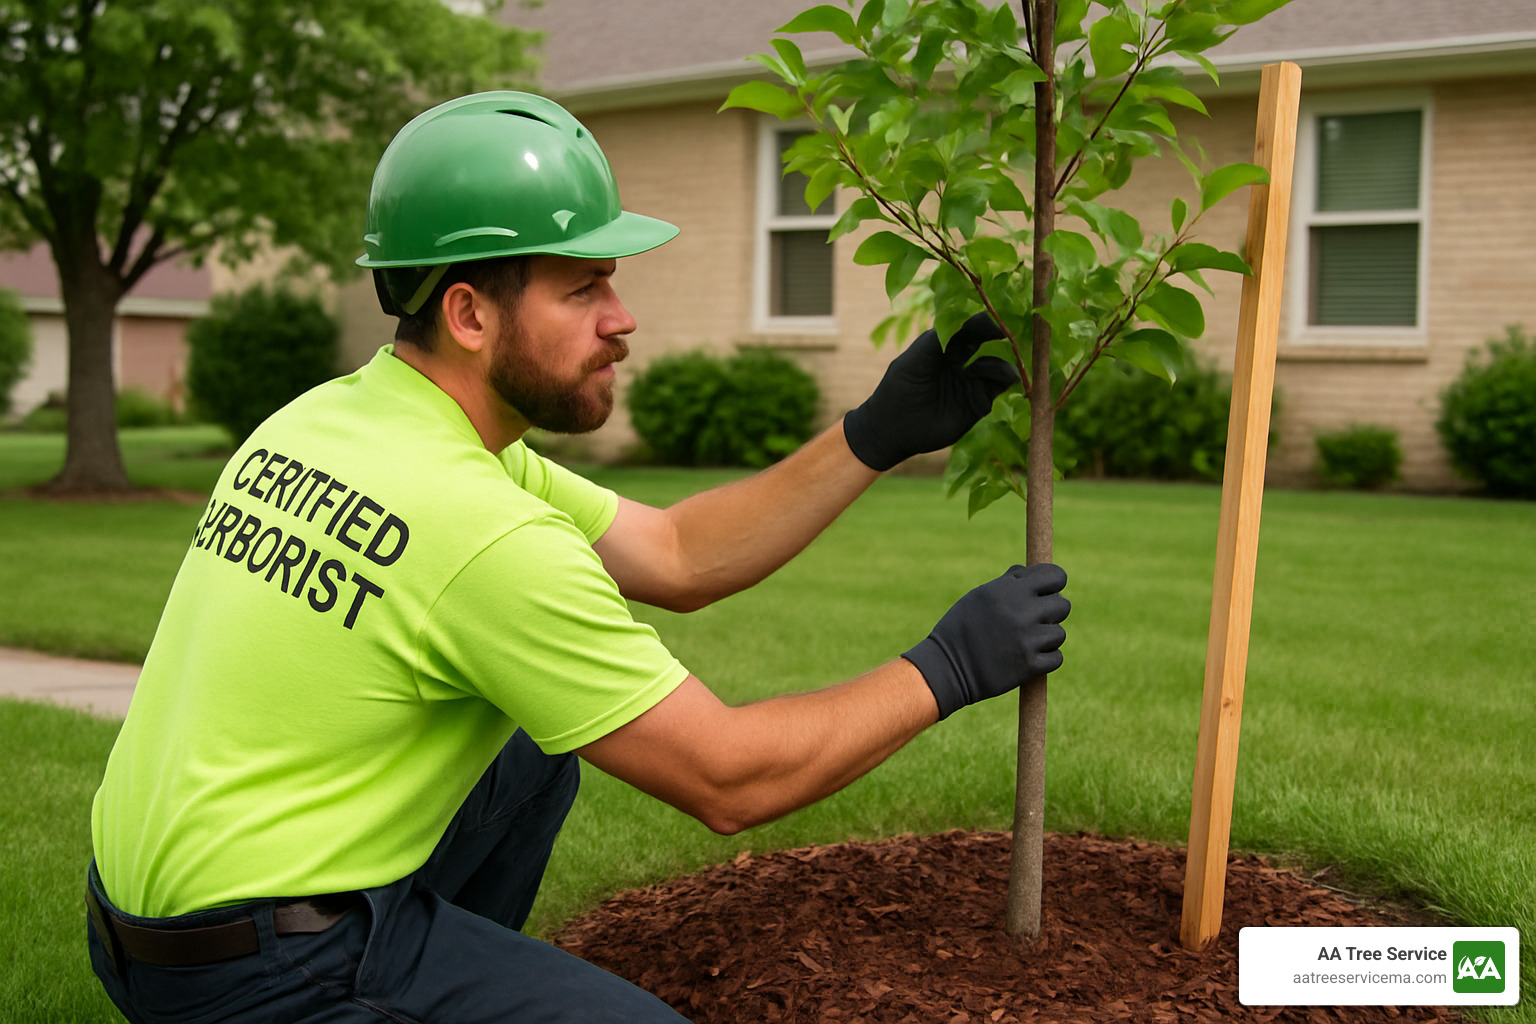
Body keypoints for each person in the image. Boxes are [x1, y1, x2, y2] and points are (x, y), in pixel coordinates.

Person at [85, 91, 1070, 1024]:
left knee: (532, 756)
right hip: (258, 973)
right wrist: (946, 667)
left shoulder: (336, 419)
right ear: (470, 313)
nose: (622, 316)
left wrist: (872, 435)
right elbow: (728, 778)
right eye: (583, 286)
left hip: (141, 924)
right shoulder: (480, 530)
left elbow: (679, 554)